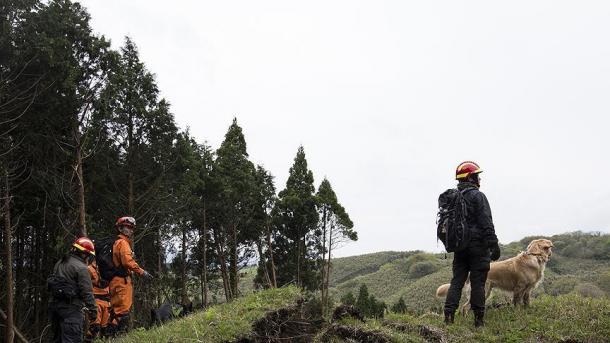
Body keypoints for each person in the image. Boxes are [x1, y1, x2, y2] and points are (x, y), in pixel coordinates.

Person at [444, 161, 501, 328]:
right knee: (478, 284)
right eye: (477, 176)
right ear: (470, 178)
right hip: (478, 248)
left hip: (460, 247)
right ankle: (478, 322)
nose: (479, 180)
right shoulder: (478, 196)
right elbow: (486, 223)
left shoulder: (453, 197)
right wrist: (494, 245)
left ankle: (448, 318)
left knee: (457, 282)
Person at [108, 216, 153, 334]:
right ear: (120, 228)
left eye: (132, 228)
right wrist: (142, 272)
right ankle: (115, 337)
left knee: (116, 312)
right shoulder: (122, 243)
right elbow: (127, 261)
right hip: (121, 282)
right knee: (122, 313)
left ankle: (110, 336)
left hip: (116, 281)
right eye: (128, 227)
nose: (131, 230)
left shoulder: (118, 242)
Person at [48, 237, 97, 343]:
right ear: (84, 254)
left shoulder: (60, 263)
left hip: (55, 308)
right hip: (71, 310)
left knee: (57, 340)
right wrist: (93, 310)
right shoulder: (82, 268)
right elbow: (87, 292)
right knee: (72, 339)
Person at [85, 260, 111, 341]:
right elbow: (84, 284)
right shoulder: (89, 269)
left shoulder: (110, 267)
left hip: (107, 301)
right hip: (95, 300)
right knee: (94, 327)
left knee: (105, 329)